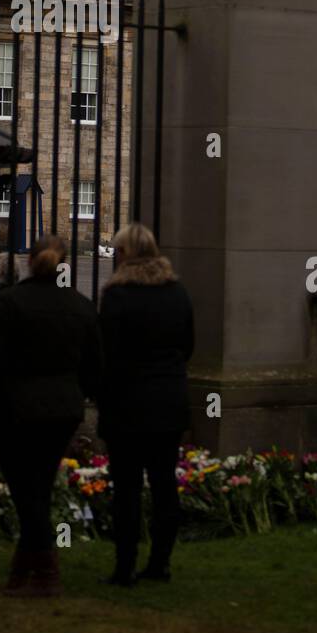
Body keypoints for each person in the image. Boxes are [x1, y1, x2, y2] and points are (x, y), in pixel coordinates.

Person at [0, 232, 103, 598]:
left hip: (15, 410)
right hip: (62, 410)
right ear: (64, 263)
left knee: (26, 491)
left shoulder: (9, 303)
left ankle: (44, 569)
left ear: (30, 261)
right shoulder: (80, 305)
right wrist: (81, 393)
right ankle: (25, 567)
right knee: (38, 487)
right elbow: (95, 366)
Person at [98, 223, 194, 585]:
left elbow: (105, 353)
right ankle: (160, 563)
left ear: (127, 254)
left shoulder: (118, 296)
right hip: (167, 403)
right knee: (164, 485)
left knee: (126, 490)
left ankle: (125, 567)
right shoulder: (177, 292)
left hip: (127, 404)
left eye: (118, 250)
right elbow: (187, 346)